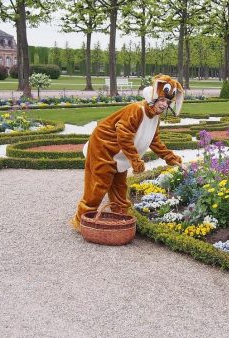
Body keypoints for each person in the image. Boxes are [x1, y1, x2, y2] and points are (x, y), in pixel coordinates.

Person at [70, 74, 184, 232]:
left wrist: (169, 157)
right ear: (155, 97)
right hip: (103, 147)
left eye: (168, 101)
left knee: (119, 185)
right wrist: (135, 160)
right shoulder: (136, 110)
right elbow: (123, 135)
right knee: (99, 185)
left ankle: (120, 214)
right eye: (163, 100)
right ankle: (80, 220)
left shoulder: (155, 117)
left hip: (119, 154)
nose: (165, 105)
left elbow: (154, 141)